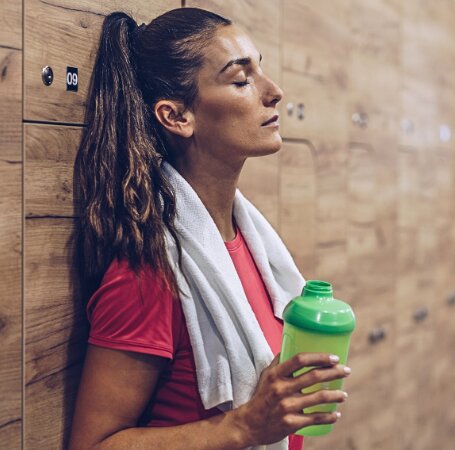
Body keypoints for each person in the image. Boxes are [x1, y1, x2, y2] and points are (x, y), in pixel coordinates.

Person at [68, 8, 350, 450]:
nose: (274, 92)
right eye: (241, 80)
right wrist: (243, 426)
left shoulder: (255, 249)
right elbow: (92, 445)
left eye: (262, 69)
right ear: (177, 116)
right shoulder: (149, 273)